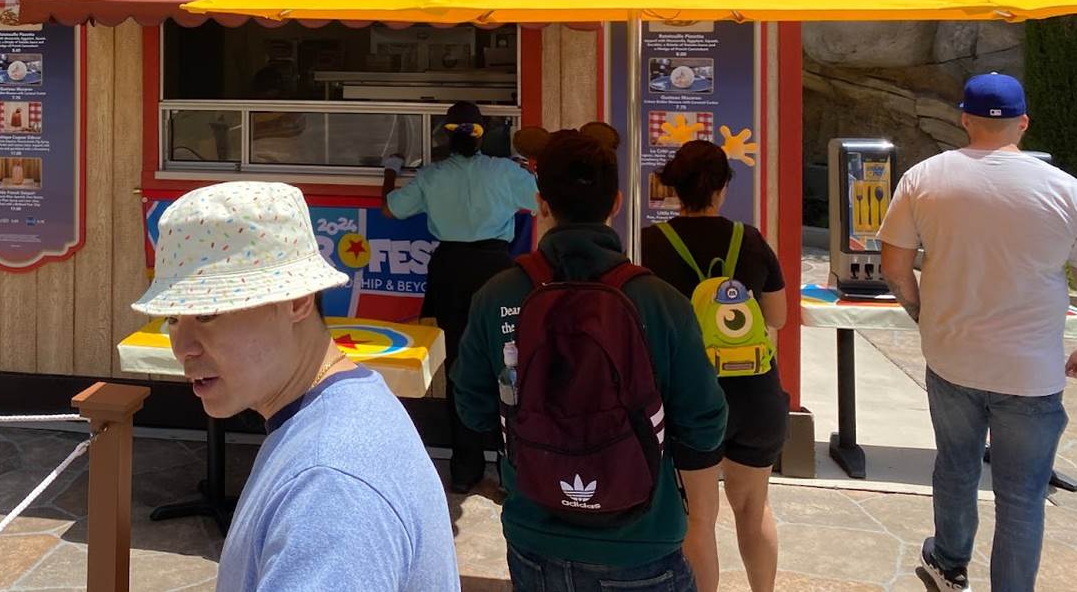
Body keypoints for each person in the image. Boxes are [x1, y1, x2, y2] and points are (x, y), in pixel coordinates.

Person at [133, 180, 459, 592]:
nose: (182, 347)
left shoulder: (329, 485)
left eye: (208, 313)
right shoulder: (339, 411)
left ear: (297, 300)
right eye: (172, 319)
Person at [454, 131, 727, 591]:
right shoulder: (660, 301)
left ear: (541, 205)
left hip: (534, 535)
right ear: (616, 203)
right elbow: (706, 422)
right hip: (640, 538)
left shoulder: (497, 295)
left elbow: (473, 409)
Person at [879, 73, 1077, 592]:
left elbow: (894, 266)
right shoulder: (1064, 189)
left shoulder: (923, 178)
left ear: (964, 119)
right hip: (1031, 370)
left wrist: (920, 312)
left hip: (952, 357)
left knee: (956, 467)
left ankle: (948, 564)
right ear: (1024, 122)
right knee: (1023, 496)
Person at [641, 140, 789, 592]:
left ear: (673, 188)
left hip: (690, 395)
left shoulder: (649, 244)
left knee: (699, 518)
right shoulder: (752, 239)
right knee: (754, 508)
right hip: (756, 391)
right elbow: (778, 317)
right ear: (723, 187)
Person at [382, 100, 538, 492]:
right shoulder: (505, 171)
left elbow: (390, 210)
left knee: (458, 368)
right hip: (497, 272)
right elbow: (540, 201)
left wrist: (390, 171)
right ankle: (510, 471)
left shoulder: (431, 176)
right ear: (484, 135)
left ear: (445, 137)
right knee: (506, 366)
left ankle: (465, 471)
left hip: (450, 273)